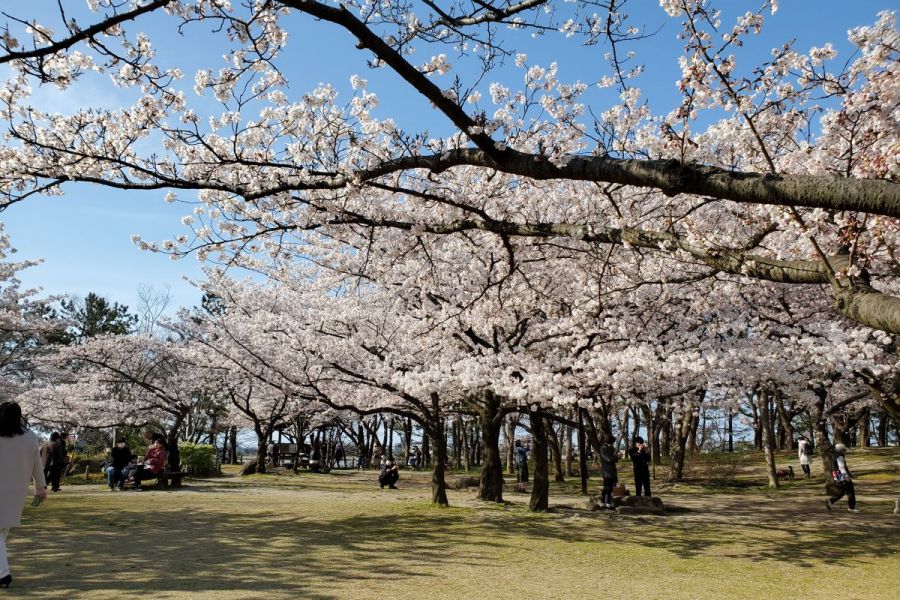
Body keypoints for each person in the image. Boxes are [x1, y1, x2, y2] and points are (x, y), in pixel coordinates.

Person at [0, 402, 48, 589]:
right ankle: (2, 574)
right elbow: (37, 464)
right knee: (2, 533)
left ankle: (3, 575)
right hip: (17, 490)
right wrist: (41, 487)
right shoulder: (30, 437)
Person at [826, 443, 858, 513]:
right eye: (844, 450)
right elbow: (841, 467)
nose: (845, 451)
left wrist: (849, 474)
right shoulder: (840, 457)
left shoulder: (834, 455)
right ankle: (851, 507)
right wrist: (846, 476)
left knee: (843, 491)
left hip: (837, 475)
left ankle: (831, 501)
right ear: (841, 450)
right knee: (850, 490)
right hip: (841, 476)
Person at [599, 435, 620, 509]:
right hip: (606, 470)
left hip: (611, 470)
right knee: (607, 487)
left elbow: (612, 458)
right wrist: (616, 457)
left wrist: (616, 457)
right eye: (612, 442)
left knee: (610, 487)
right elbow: (608, 459)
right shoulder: (603, 448)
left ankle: (606, 502)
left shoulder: (610, 448)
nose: (613, 444)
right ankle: (605, 502)